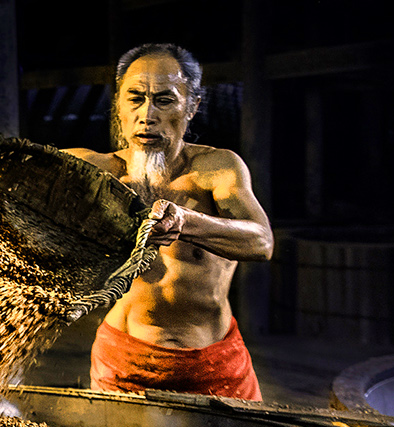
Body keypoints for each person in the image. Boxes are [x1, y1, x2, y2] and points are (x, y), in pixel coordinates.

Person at [67, 42, 273, 400]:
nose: (147, 115)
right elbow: (6, 164)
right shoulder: (98, 171)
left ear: (191, 107)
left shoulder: (216, 170)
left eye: (164, 100)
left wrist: (186, 222)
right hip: (123, 359)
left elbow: (261, 242)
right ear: (119, 105)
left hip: (210, 363)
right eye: (135, 99)